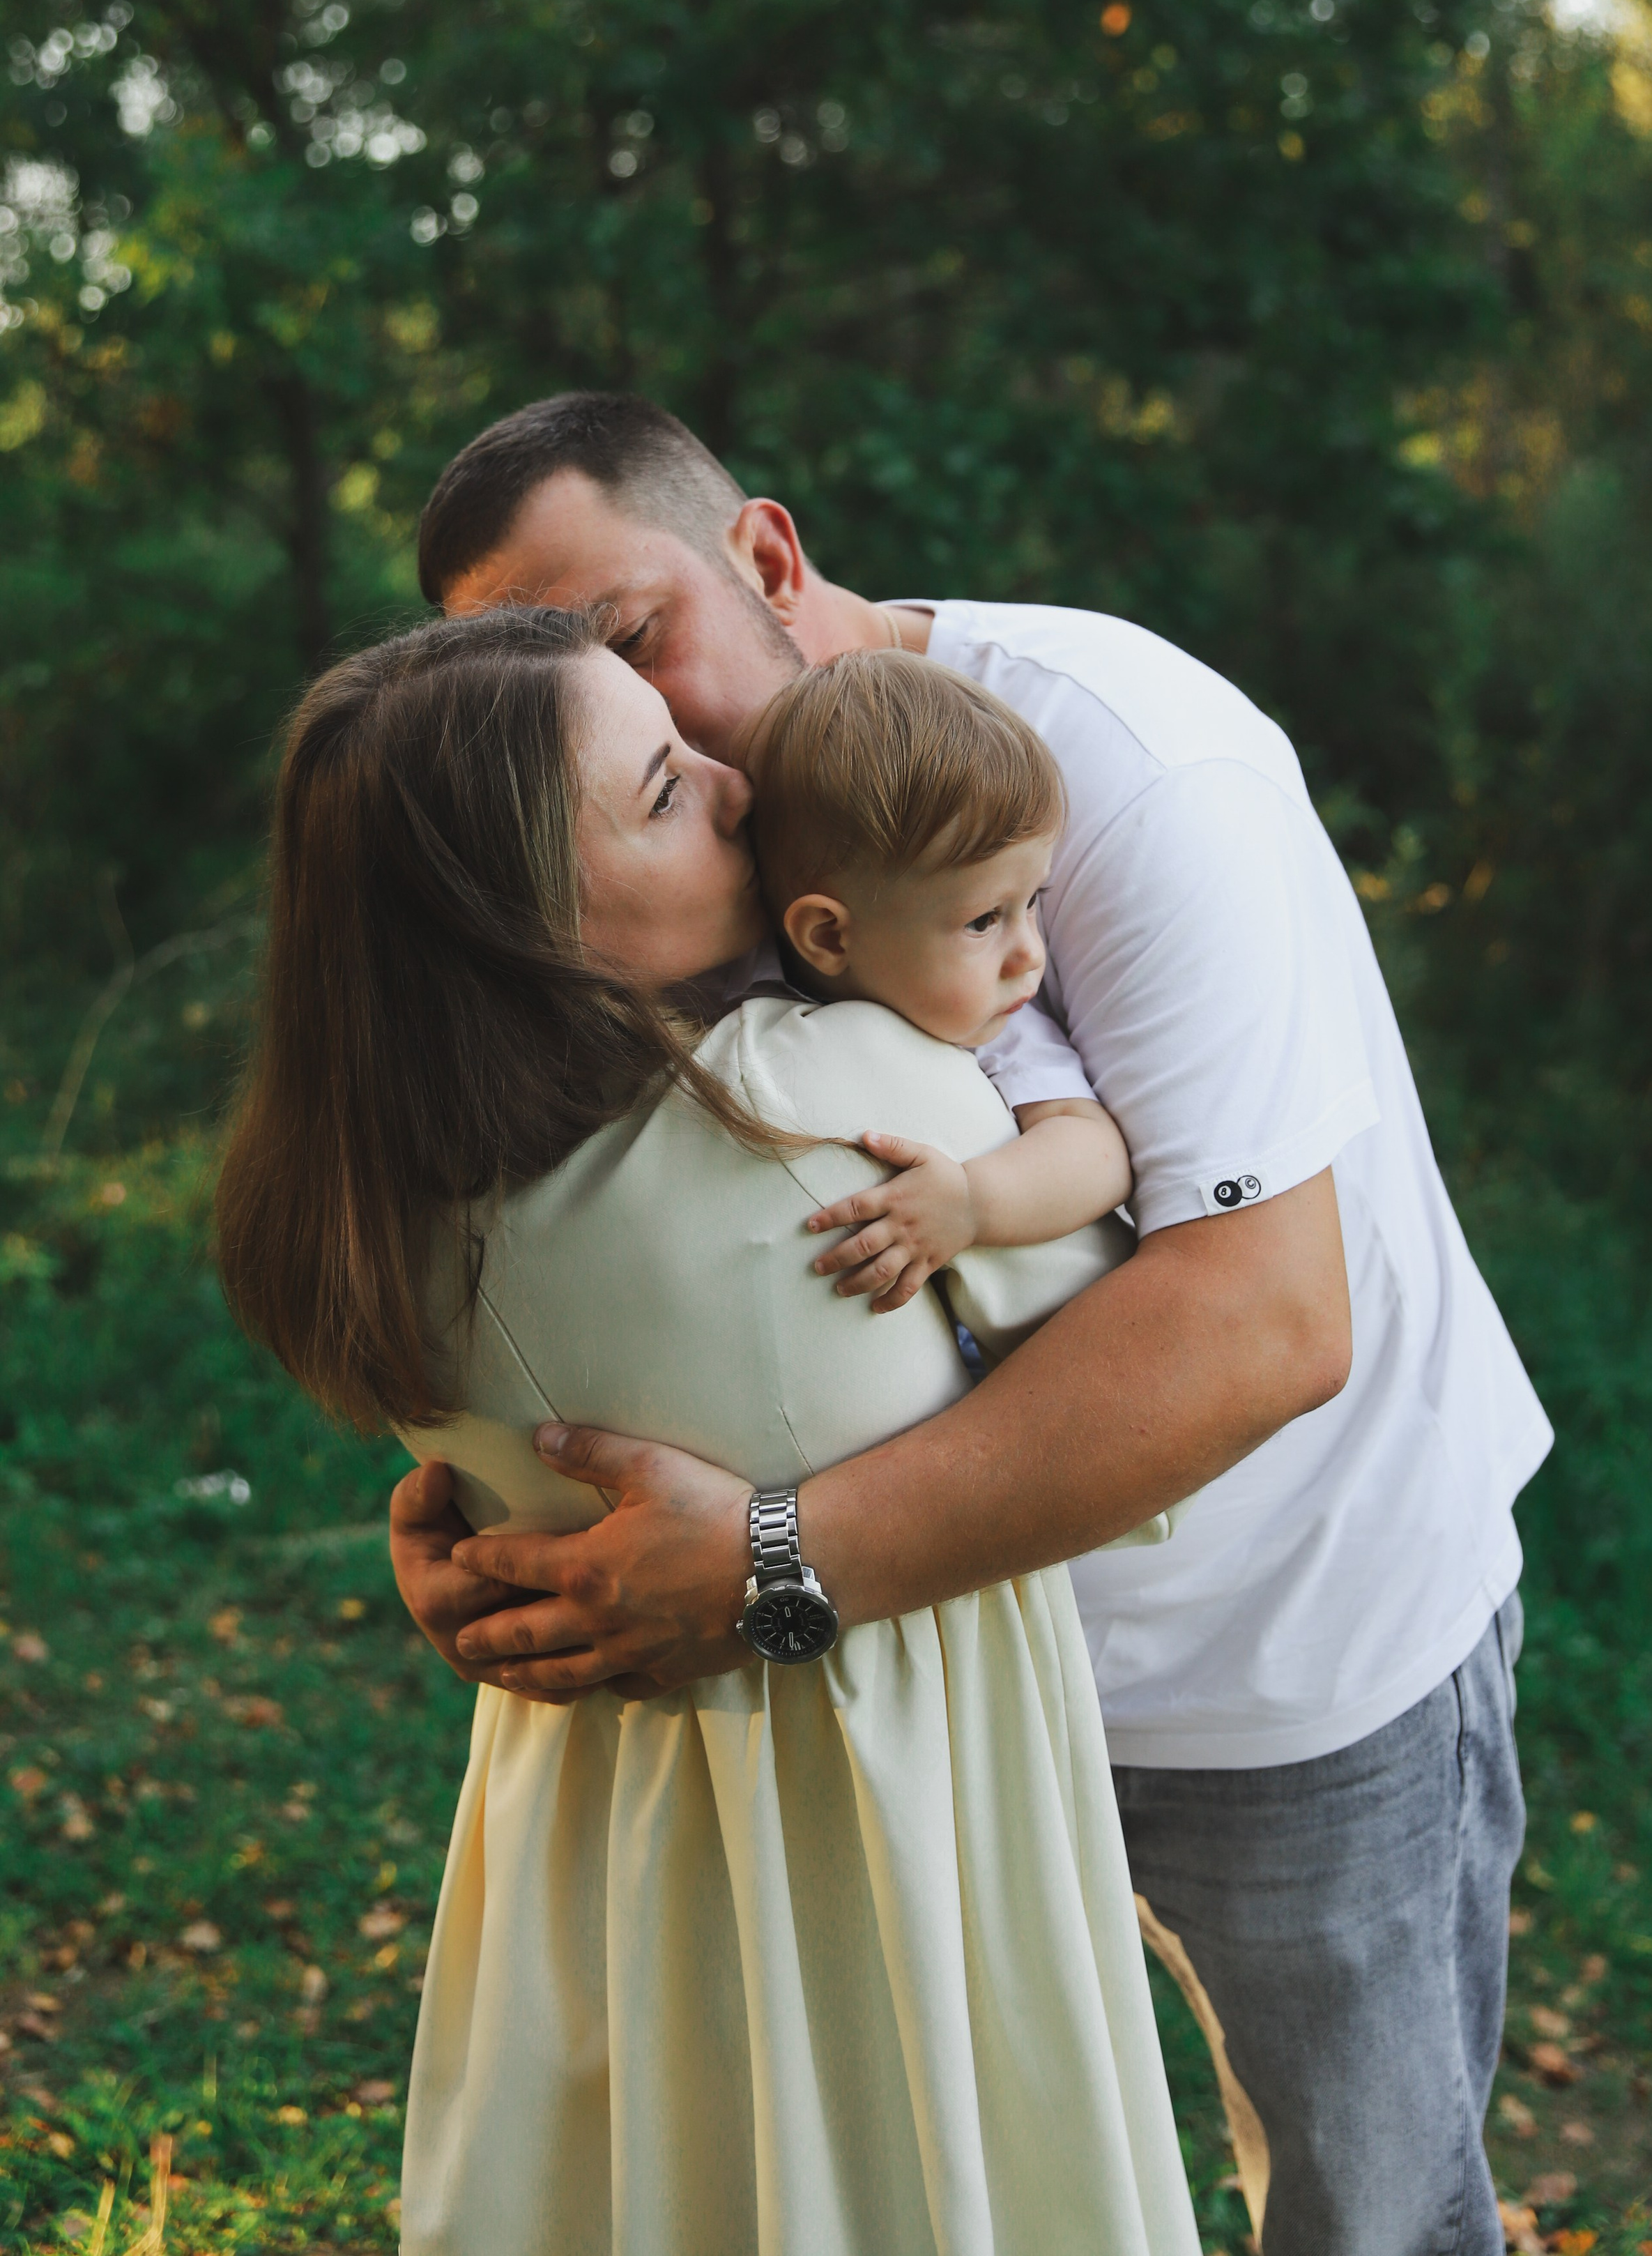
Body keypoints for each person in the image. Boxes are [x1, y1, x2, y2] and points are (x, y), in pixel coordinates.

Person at [399, 390, 1556, 2256]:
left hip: (1275, 1655)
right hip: (919, 1706)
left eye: (626, 642)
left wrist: (766, 1563)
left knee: (1372, 2217)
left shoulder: (1122, 768)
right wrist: (480, 1511)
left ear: (765, 557)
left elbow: (1261, 1325)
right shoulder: (653, 844)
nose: (626, 720)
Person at [214, 604, 1202, 2256]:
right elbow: (1119, 1339)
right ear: (524, 911)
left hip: (595, 1834)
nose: (740, 782)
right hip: (903, 1811)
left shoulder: (367, 1208)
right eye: (667, 790)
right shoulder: (845, 1102)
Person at [749, 647, 1134, 1313]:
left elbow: (1095, 1150)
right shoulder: (752, 1015)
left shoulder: (991, 1036)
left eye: (1032, 901)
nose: (1030, 957)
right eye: (985, 919)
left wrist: (972, 1205)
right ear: (829, 937)